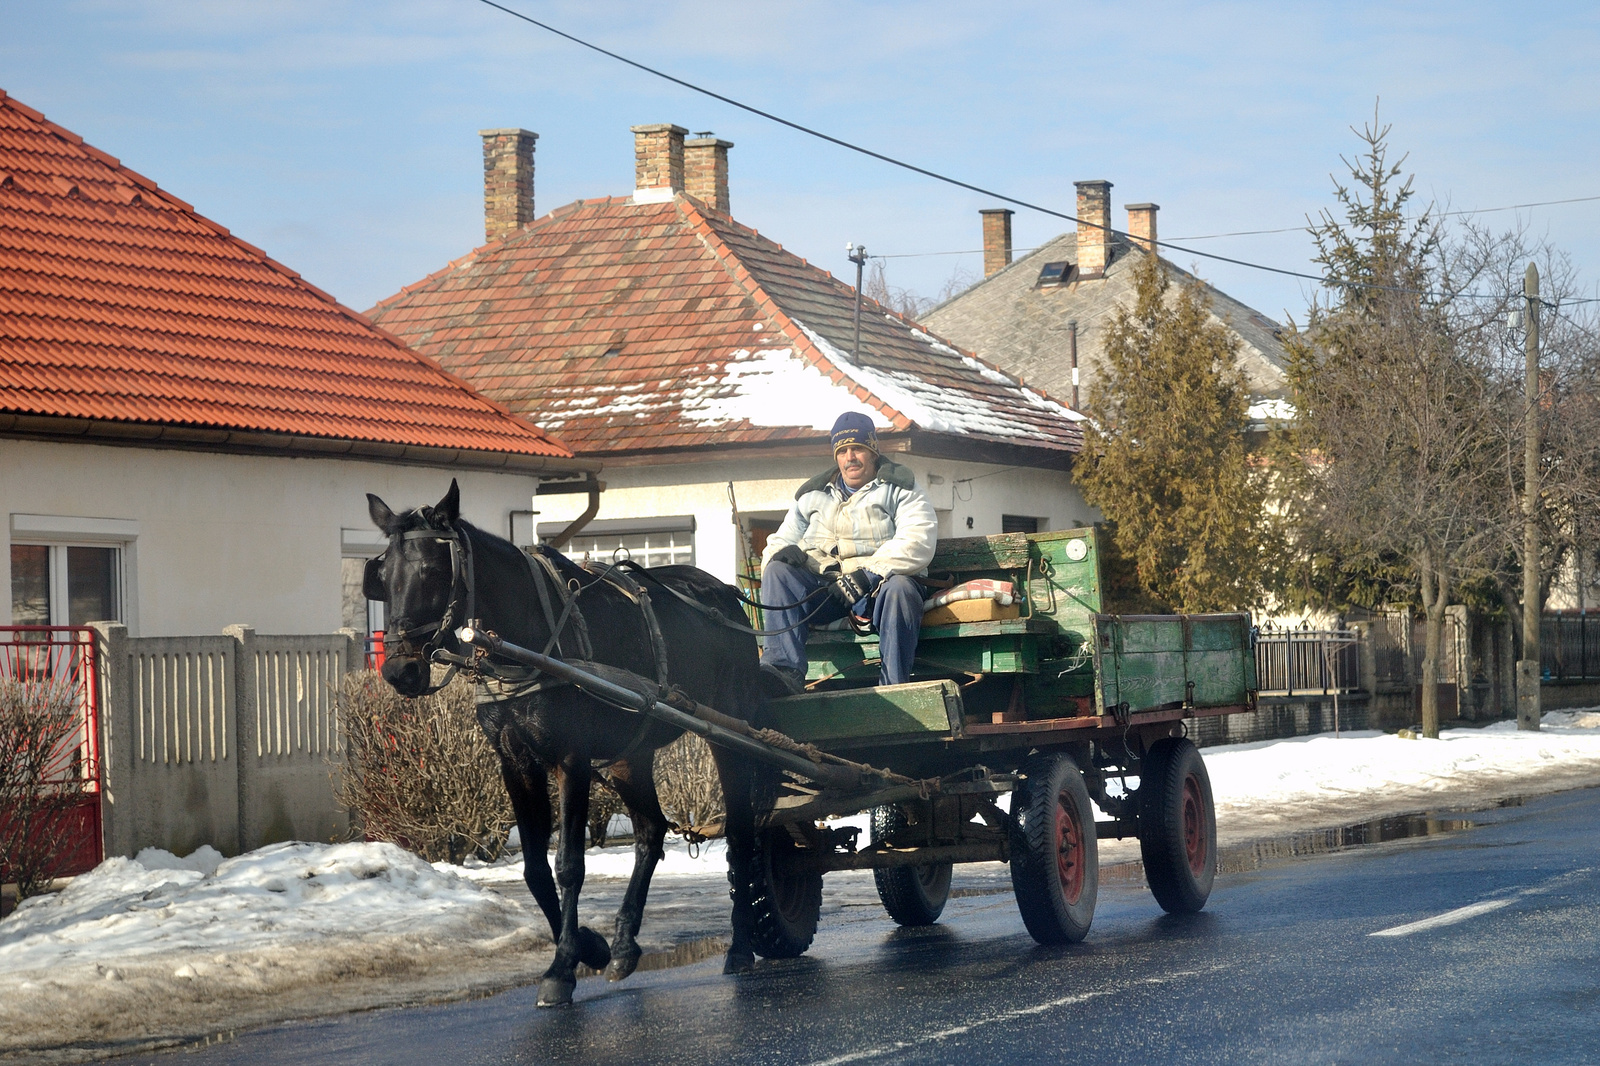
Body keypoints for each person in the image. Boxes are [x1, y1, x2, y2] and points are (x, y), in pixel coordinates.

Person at [758, 412, 938, 695]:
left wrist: (868, 575)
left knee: (902, 588)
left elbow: (917, 540)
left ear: (873, 451)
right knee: (778, 571)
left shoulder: (901, 488)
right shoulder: (812, 495)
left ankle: (894, 687)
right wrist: (782, 552)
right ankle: (784, 675)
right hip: (828, 593)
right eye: (842, 450)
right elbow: (780, 540)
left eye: (857, 449)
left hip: (877, 590)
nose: (850, 457)